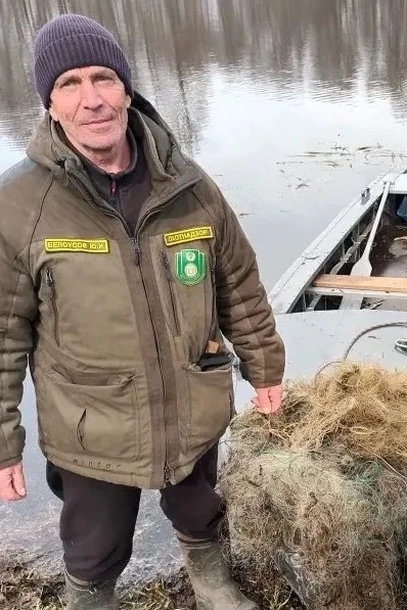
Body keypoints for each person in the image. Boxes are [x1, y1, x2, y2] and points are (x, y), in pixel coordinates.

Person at [0, 13, 285, 610]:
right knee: (94, 547)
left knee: (201, 509)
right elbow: (4, 336)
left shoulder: (188, 185)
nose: (92, 99)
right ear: (50, 105)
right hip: (91, 424)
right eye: (69, 84)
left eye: (103, 78)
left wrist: (266, 369)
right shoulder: (20, 205)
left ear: (127, 90)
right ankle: (91, 598)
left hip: (191, 405)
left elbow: (238, 283)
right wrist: (4, 441)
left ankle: (210, 579)